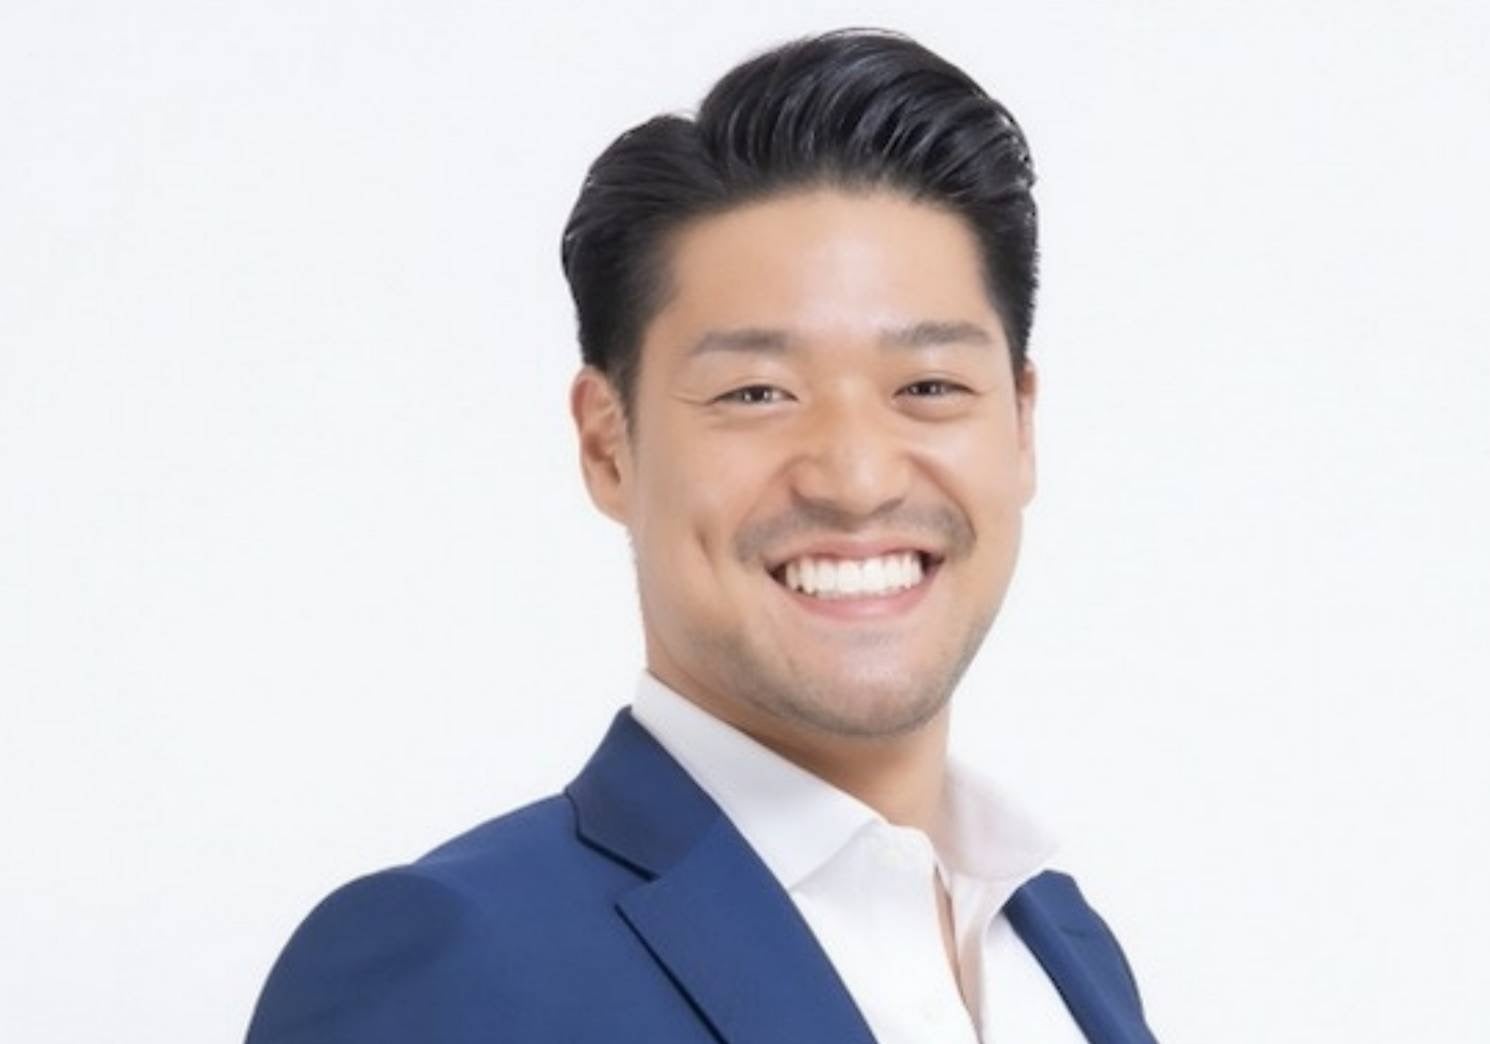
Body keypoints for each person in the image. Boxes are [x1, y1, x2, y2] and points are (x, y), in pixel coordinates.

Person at [245, 27, 1159, 1044]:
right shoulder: (452, 967)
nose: (856, 478)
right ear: (608, 445)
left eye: (929, 386)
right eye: (756, 392)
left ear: (1021, 427)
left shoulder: (1059, 947)